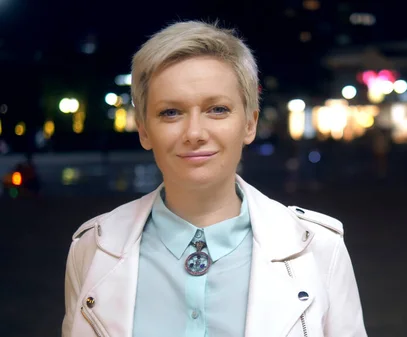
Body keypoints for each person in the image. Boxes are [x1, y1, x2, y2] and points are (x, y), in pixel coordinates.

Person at [62, 21, 367, 337]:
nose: (194, 133)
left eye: (217, 109)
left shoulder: (319, 249)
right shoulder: (94, 247)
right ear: (143, 129)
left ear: (250, 124)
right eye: (170, 112)